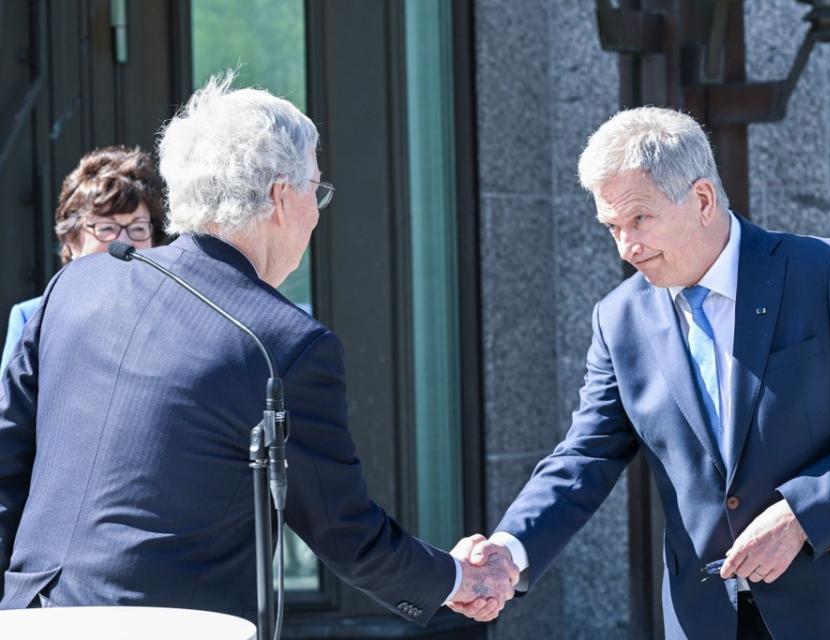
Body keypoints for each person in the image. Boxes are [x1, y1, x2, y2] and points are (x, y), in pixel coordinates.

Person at [0, 73, 516, 625]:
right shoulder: (284, 344)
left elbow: (7, 460)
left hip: (27, 617)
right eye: (316, 190)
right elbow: (344, 531)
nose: (317, 212)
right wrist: (460, 578)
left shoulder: (76, 287)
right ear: (279, 197)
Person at [452, 107, 830, 638]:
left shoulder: (822, 274)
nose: (626, 248)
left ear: (702, 199)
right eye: (611, 226)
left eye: (640, 219)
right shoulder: (619, 320)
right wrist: (507, 551)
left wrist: (801, 515)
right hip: (709, 618)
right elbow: (584, 457)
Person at [0, 146, 166, 371]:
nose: (125, 241)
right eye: (107, 228)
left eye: (138, 228)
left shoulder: (168, 316)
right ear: (72, 239)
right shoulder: (32, 318)